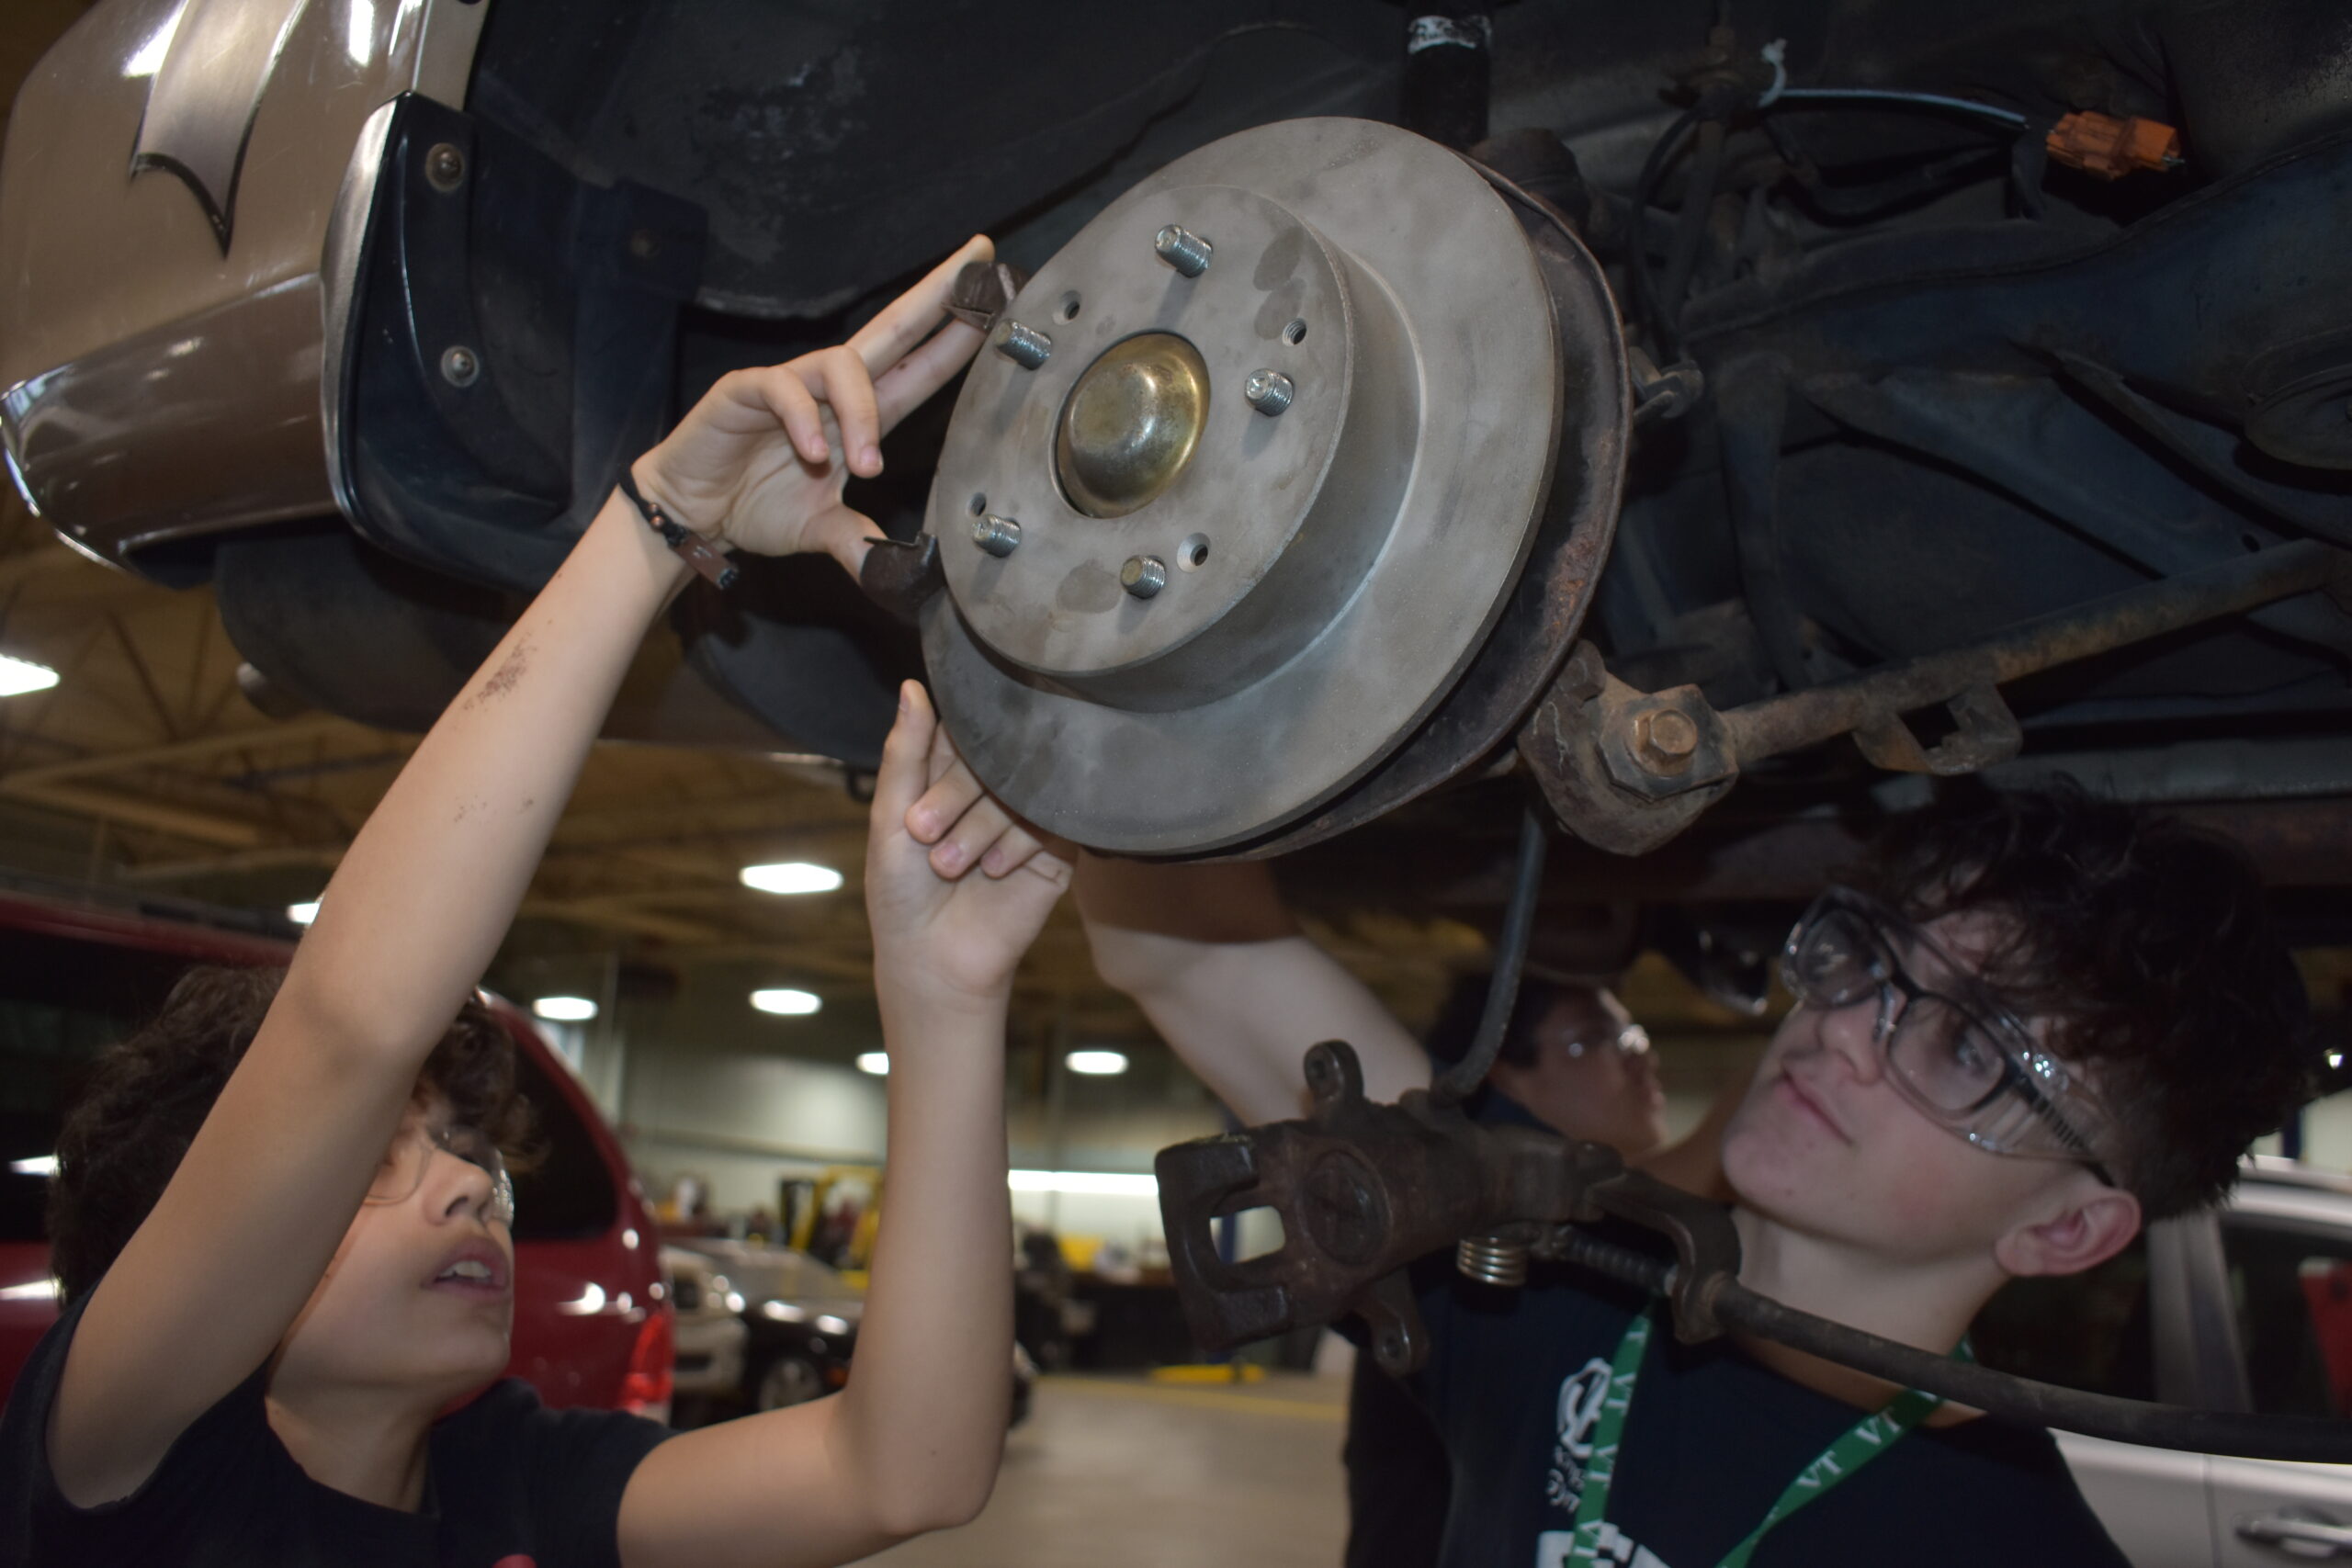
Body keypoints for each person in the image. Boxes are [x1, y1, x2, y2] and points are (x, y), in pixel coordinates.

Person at [0, 236, 1070, 1568]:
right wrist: (658, 524)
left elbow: (903, 1466)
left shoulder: (504, 1475)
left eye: (458, 1141)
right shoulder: (126, 1465)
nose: (470, 1187)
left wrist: (947, 997)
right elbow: (350, 1023)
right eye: (373, 1162)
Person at [916, 785, 2321, 1567]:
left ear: (2070, 1224)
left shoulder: (2016, 1554)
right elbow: (1184, 950)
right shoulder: (1558, 1291)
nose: (1840, 1028)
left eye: (1968, 1044)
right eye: (1871, 965)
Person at [1342, 971, 1673, 1568]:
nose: (1640, 1061)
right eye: (1597, 1039)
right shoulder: (1454, 1258)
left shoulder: (1597, 1257)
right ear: (1502, 1078)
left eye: (1636, 1038)